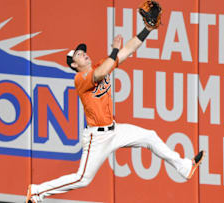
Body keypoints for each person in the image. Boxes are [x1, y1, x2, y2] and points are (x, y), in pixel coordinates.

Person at [26, 23, 205, 203]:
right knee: (83, 179)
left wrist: (147, 30)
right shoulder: (80, 79)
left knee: (150, 136)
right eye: (79, 55)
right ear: (74, 64)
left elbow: (126, 50)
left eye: (83, 51)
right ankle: (36, 191)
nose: (84, 54)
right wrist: (113, 52)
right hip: (97, 138)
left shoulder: (101, 64)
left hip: (115, 130)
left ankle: (184, 167)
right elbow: (101, 73)